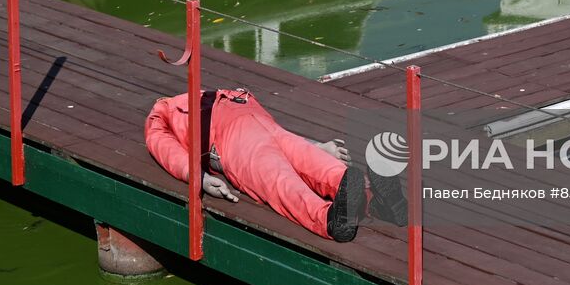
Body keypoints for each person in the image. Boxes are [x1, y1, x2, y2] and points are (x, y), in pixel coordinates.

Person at [145, 87, 407, 242]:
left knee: (294, 170)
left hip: (247, 131)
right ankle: (350, 210)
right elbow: (166, 149)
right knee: (294, 169)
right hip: (243, 130)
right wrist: (199, 177)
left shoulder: (181, 104)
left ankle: (351, 210)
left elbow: (165, 149)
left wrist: (318, 145)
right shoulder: (182, 104)